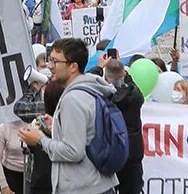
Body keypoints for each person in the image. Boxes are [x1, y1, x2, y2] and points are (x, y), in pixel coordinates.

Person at [18, 37, 119, 194]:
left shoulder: (73, 99)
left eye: (55, 61)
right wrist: (57, 127)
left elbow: (73, 152)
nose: (50, 66)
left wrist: (40, 140)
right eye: (50, 60)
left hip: (84, 188)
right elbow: (84, 137)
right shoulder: (86, 89)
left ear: (73, 67)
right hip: (93, 185)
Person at [103, 59, 145, 194]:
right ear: (124, 75)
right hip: (132, 155)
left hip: (110, 153)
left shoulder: (103, 97)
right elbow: (132, 85)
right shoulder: (136, 96)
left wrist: (100, 69)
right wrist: (125, 74)